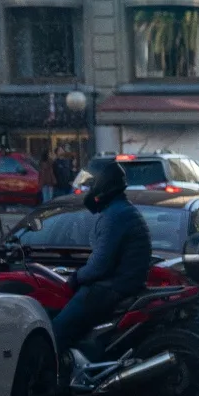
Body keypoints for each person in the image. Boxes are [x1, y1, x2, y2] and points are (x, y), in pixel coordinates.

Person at [52, 160, 153, 374]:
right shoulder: (122, 211)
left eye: (90, 186)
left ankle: (50, 383)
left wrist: (76, 278)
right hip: (125, 284)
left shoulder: (114, 216)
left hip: (111, 288)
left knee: (55, 331)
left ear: (103, 185)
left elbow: (99, 266)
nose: (87, 191)